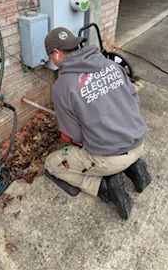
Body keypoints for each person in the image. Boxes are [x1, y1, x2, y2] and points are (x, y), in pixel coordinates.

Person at [44, 27, 151, 220]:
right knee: (115, 148)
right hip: (139, 141)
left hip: (110, 158)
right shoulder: (110, 64)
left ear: (57, 54)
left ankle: (105, 187)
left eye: (50, 56)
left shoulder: (62, 86)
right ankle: (134, 166)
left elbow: (74, 137)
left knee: (52, 164)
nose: (51, 61)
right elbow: (134, 98)